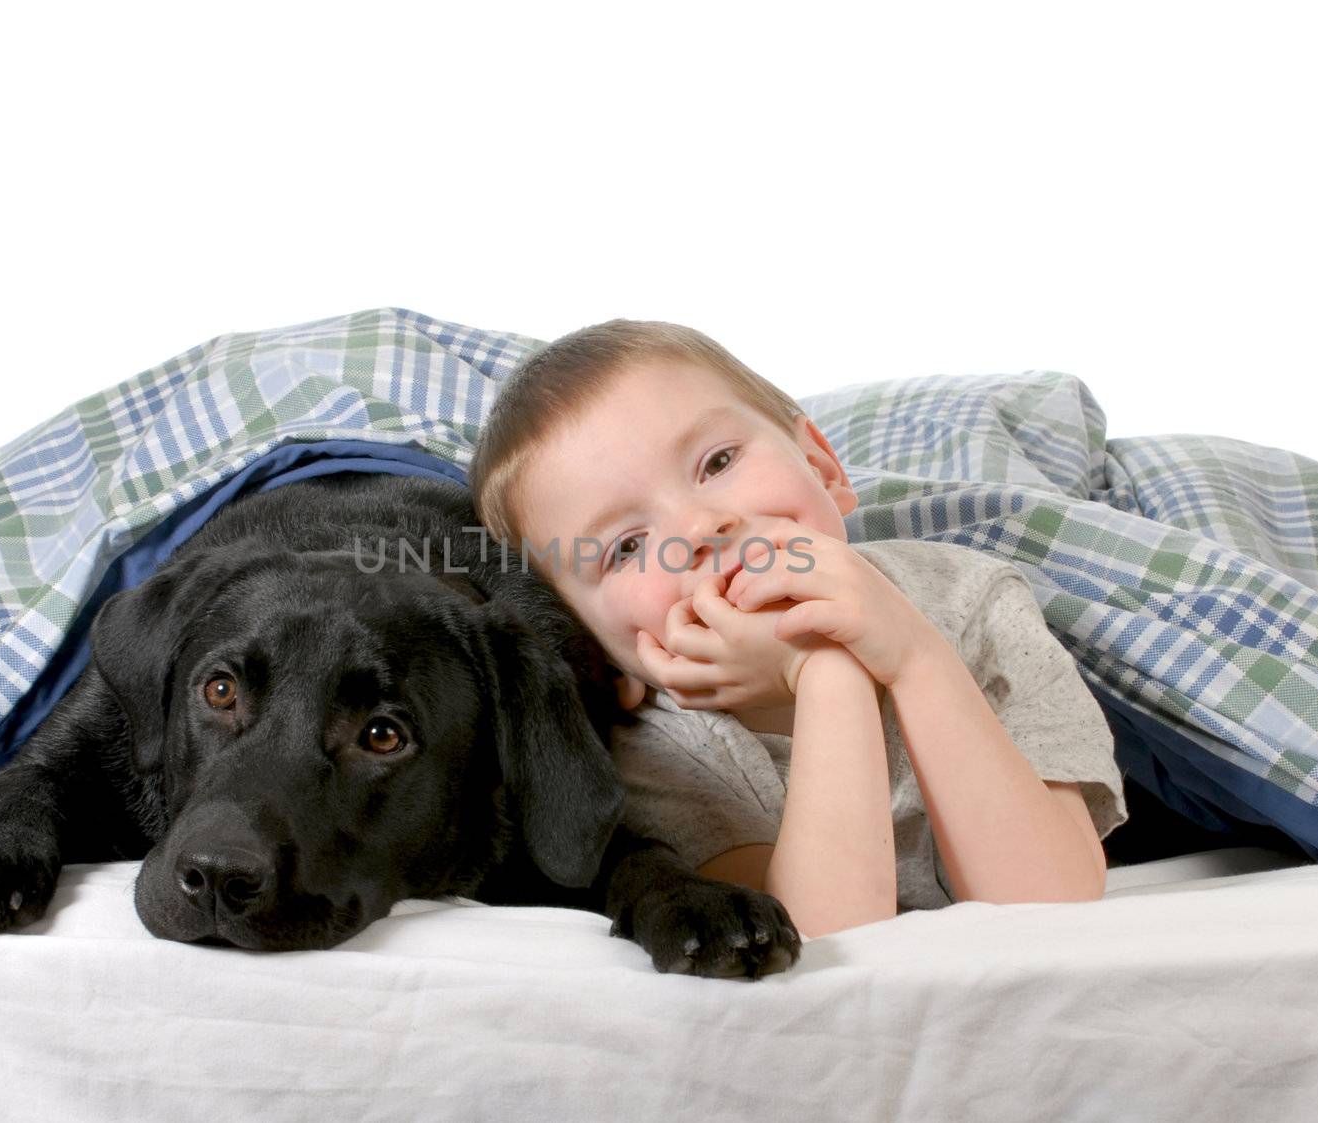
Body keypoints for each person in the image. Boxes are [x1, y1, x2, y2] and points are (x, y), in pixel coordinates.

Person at [468, 321, 1125, 937]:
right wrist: (825, 666)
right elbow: (821, 935)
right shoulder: (659, 749)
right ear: (594, 651)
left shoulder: (972, 601)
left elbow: (1050, 903)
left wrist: (916, 658)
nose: (699, 528)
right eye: (628, 546)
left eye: (718, 462)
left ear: (824, 468)